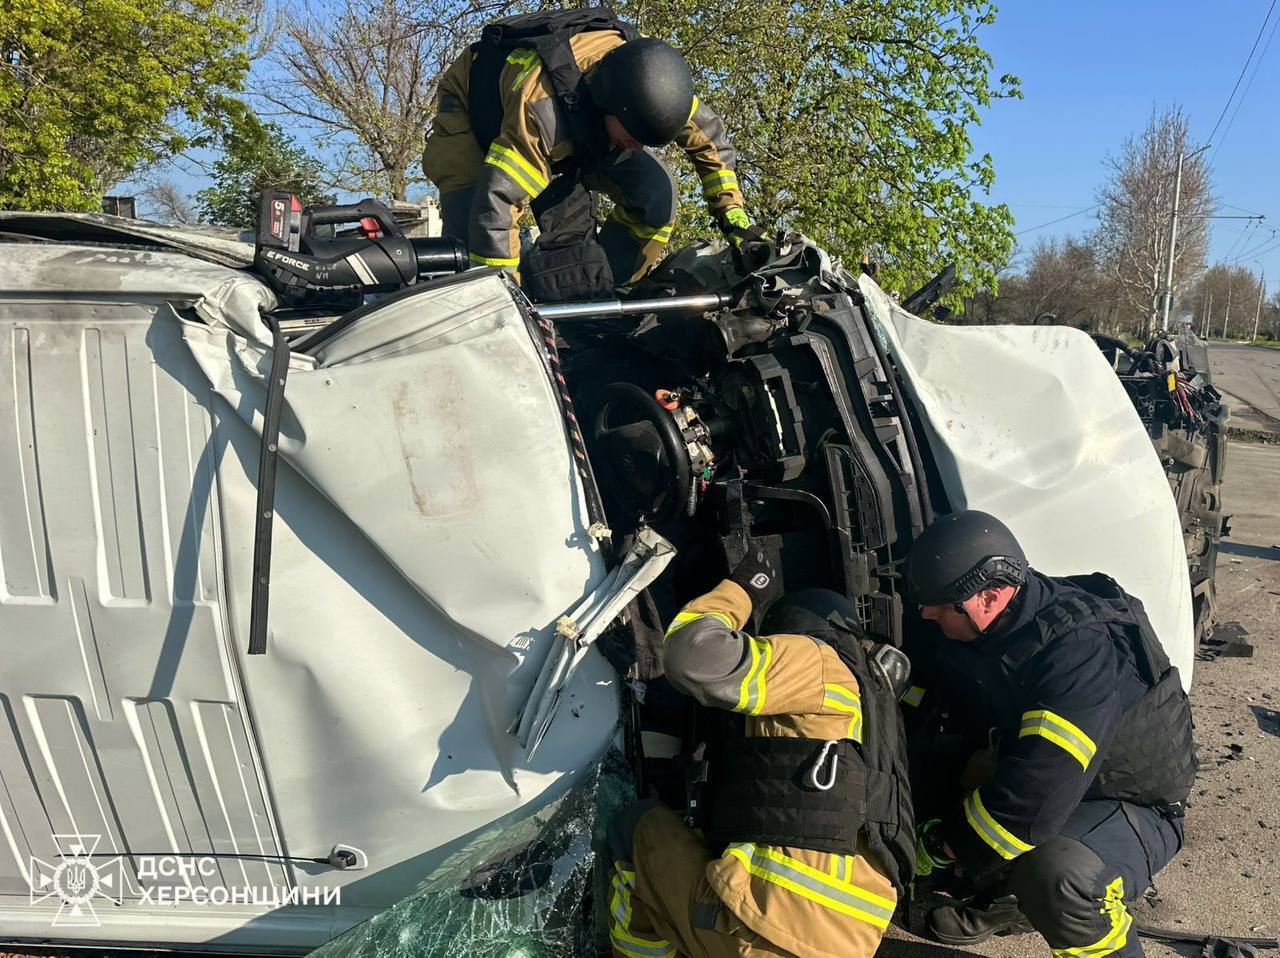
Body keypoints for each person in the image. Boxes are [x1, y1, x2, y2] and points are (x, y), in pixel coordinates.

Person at [902, 510, 1196, 957]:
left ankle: (1031, 893)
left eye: (939, 605)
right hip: (1043, 781)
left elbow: (1034, 796)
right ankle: (1006, 898)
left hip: (1125, 804)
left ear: (990, 596)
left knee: (1059, 876)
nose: (926, 612)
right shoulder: (986, 625)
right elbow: (927, 706)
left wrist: (941, 847)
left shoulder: (1079, 651)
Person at [605, 552, 914, 958]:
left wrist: (742, 591)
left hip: (761, 934)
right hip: (850, 944)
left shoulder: (817, 659)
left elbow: (691, 655)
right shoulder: (872, 718)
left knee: (635, 828)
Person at [423, 9, 748, 290]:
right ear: (611, 104)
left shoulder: (655, 85)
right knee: (470, 225)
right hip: (474, 100)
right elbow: (497, 205)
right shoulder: (543, 114)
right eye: (635, 135)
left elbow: (711, 140)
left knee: (655, 195)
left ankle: (613, 295)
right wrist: (502, 309)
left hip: (587, 110)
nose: (638, 146)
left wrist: (732, 214)